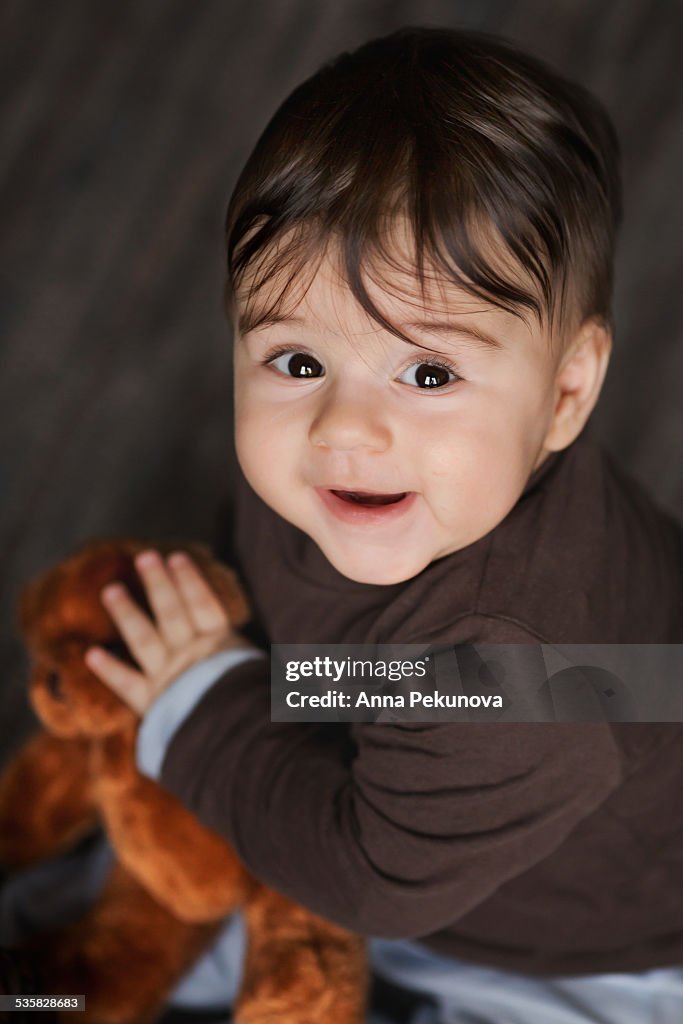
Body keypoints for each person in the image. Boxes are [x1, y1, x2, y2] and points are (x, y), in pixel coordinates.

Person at [82, 26, 683, 1023]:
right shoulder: (438, 478)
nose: (344, 430)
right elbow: (381, 670)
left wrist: (203, 711)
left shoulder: (507, 664)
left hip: (582, 936)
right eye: (296, 361)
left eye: (429, 373)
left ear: (564, 394)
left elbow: (365, 876)